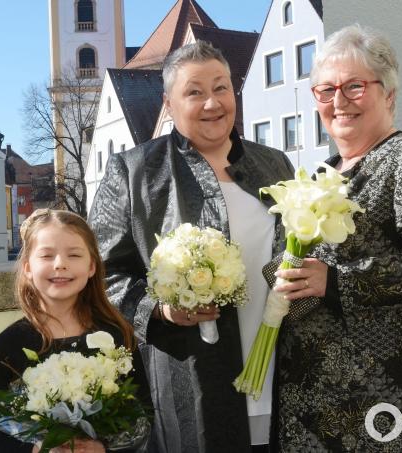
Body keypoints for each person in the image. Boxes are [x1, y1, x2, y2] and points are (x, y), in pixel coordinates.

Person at [268, 24, 402, 452]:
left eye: (354, 86)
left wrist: (338, 281)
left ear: (389, 93)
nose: (338, 102)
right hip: (312, 411)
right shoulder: (318, 176)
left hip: (389, 410)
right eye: (325, 91)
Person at [89, 41, 295, 453]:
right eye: (194, 92)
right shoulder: (134, 173)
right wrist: (160, 310)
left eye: (221, 88)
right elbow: (102, 275)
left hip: (281, 367)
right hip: (193, 377)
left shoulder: (275, 165)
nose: (212, 103)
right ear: (168, 103)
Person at [0, 209, 144, 453]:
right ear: (27, 268)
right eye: (46, 255)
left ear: (91, 267)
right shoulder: (6, 346)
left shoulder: (117, 336)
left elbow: (143, 416)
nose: (60, 264)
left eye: (74, 255)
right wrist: (37, 450)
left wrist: (103, 448)